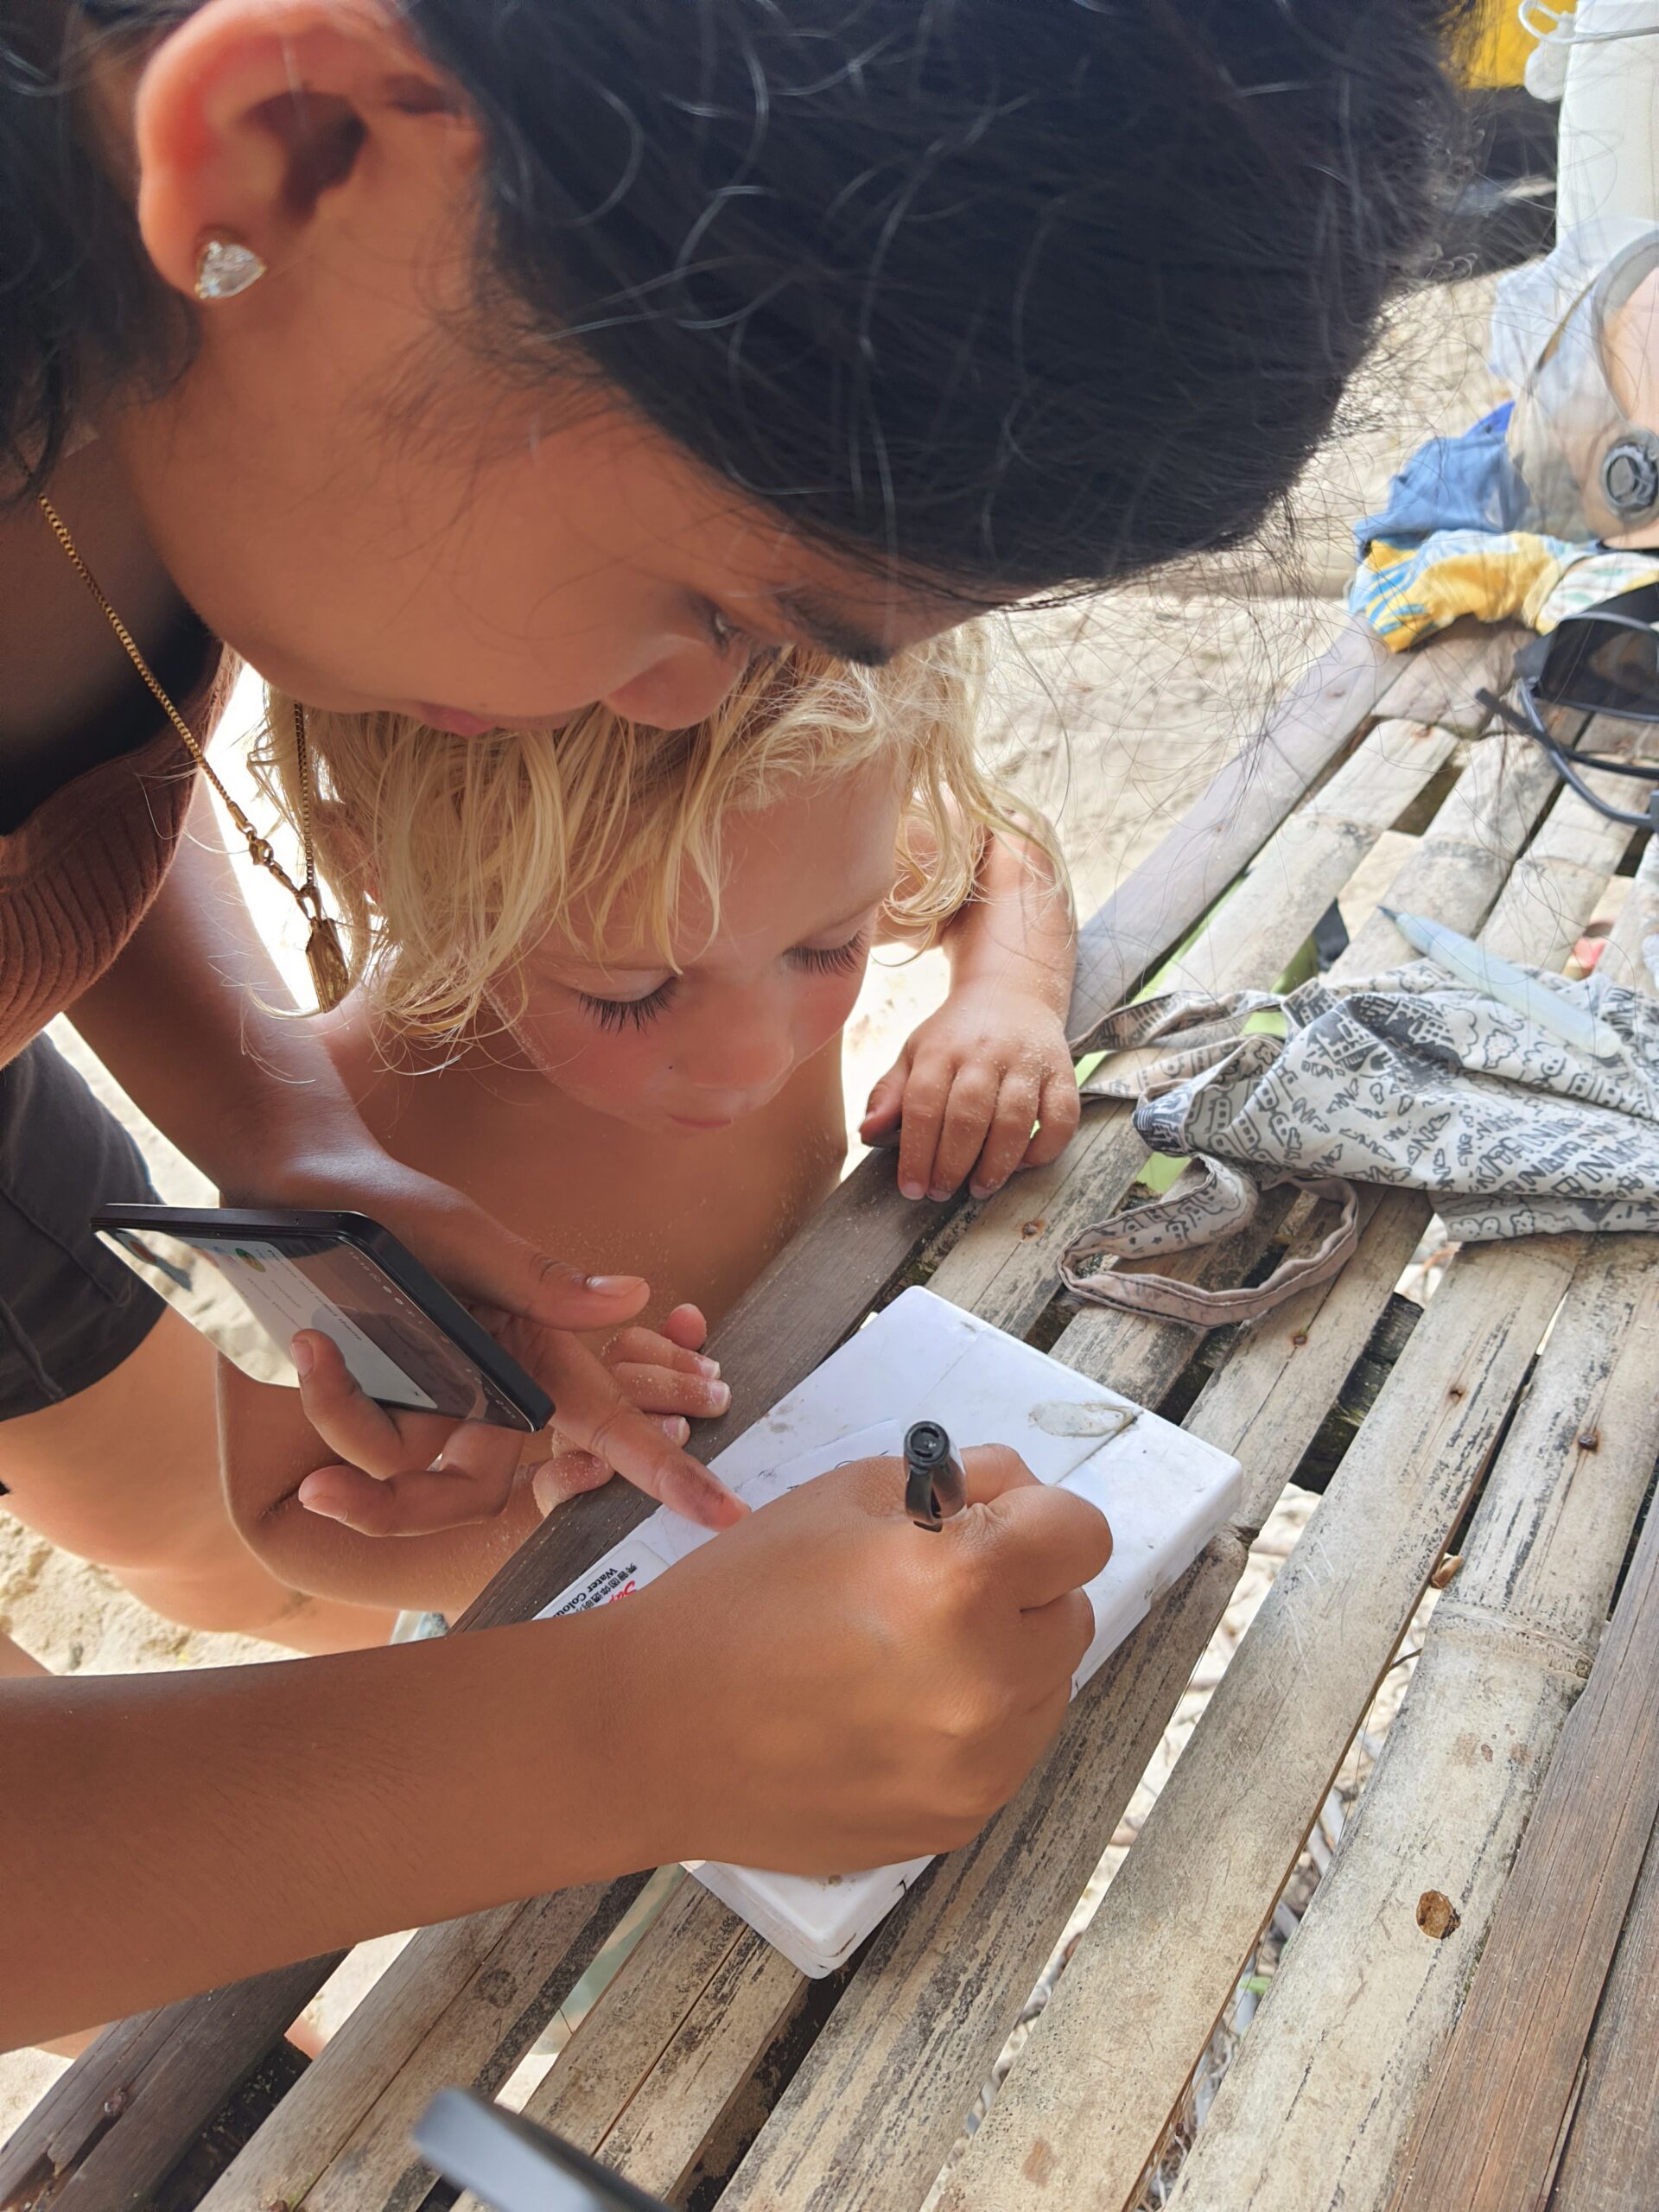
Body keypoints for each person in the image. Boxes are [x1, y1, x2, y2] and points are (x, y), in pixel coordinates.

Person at [2, 0, 1473, 2049]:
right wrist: (612, 1732)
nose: (692, 706)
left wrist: (287, 1132)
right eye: (718, 603)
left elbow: (78, 743)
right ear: (307, 144)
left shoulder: (155, 375)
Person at [213, 640, 1073, 1607]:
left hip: (832, 1459)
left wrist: (1006, 994)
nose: (755, 1059)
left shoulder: (775, 863)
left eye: (832, 947)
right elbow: (283, 1513)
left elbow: (998, 849)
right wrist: (546, 1515)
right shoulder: (331, 1135)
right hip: (576, 1613)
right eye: (632, 995)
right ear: (384, 869)